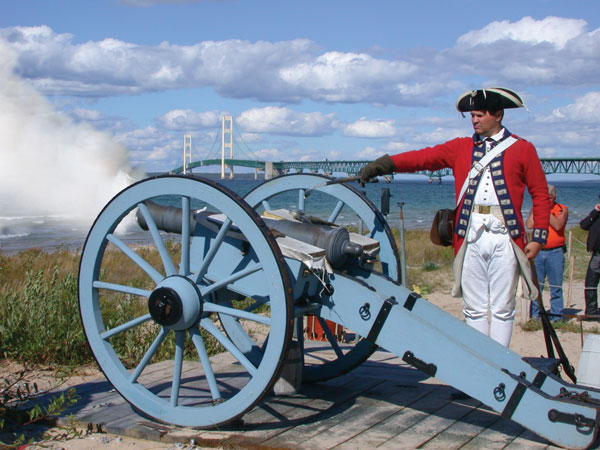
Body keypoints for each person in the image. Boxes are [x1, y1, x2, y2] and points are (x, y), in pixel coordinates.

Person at [359, 87, 551, 347]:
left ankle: (499, 370)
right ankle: (480, 368)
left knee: (503, 307)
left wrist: (538, 237)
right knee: (474, 307)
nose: (474, 120)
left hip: (505, 238)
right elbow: (423, 158)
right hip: (470, 235)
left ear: (498, 115)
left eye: (480, 115)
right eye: (472, 115)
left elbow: (540, 195)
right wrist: (383, 164)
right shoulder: (461, 147)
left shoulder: (523, 149)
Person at [526, 184, 568, 322]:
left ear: (553, 197)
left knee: (555, 286)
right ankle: (535, 315)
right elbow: (530, 224)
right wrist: (537, 209)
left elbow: (558, 225)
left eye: (548, 199)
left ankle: (556, 316)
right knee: (537, 285)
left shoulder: (561, 209)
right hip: (539, 252)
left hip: (555, 252)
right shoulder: (536, 209)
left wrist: (545, 211)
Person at [580, 197, 600, 320]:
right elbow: (583, 224)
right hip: (597, 254)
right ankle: (591, 311)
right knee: (590, 283)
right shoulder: (596, 215)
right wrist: (595, 211)